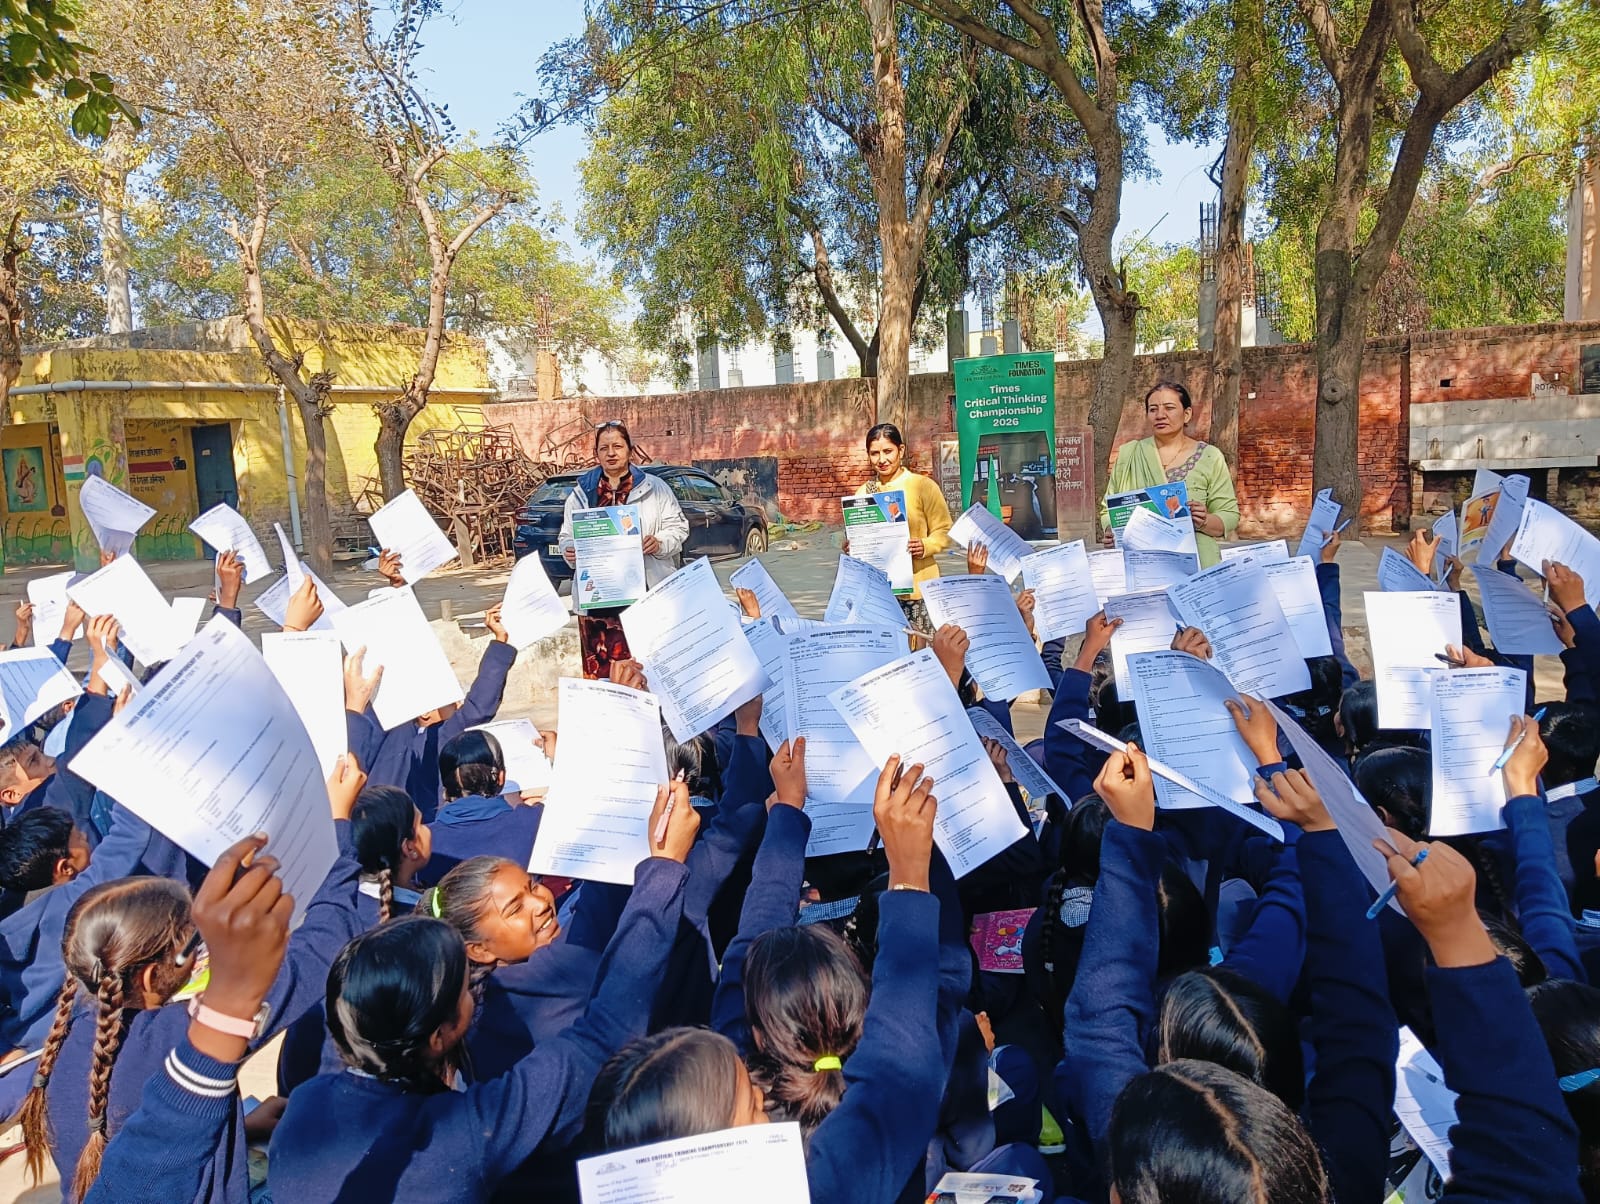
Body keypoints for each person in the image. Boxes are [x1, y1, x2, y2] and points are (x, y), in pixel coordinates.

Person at [557, 421, 689, 679]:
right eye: (604, 448)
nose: (611, 453)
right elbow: (566, 535)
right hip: (598, 600)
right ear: (596, 453)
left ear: (630, 450)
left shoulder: (655, 488)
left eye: (617, 446)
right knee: (603, 677)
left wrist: (660, 542)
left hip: (645, 595)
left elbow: (679, 527)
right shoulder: (582, 494)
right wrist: (569, 549)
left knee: (649, 672)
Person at [1101, 380, 1239, 566]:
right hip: (1143, 564)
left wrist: (1204, 520)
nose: (1160, 415)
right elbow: (1108, 509)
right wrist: (1112, 531)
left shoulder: (1209, 457)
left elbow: (1229, 515)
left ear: (1186, 414)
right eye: (1153, 409)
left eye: (1169, 408)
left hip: (1196, 564)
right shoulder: (1129, 456)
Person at [851, 422, 952, 628]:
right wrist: (853, 546)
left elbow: (945, 530)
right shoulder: (864, 493)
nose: (882, 460)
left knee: (921, 646)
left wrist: (925, 545)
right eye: (874, 453)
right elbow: (860, 538)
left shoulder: (922, 486)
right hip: (879, 594)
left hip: (919, 590)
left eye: (888, 451)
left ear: (901, 450)